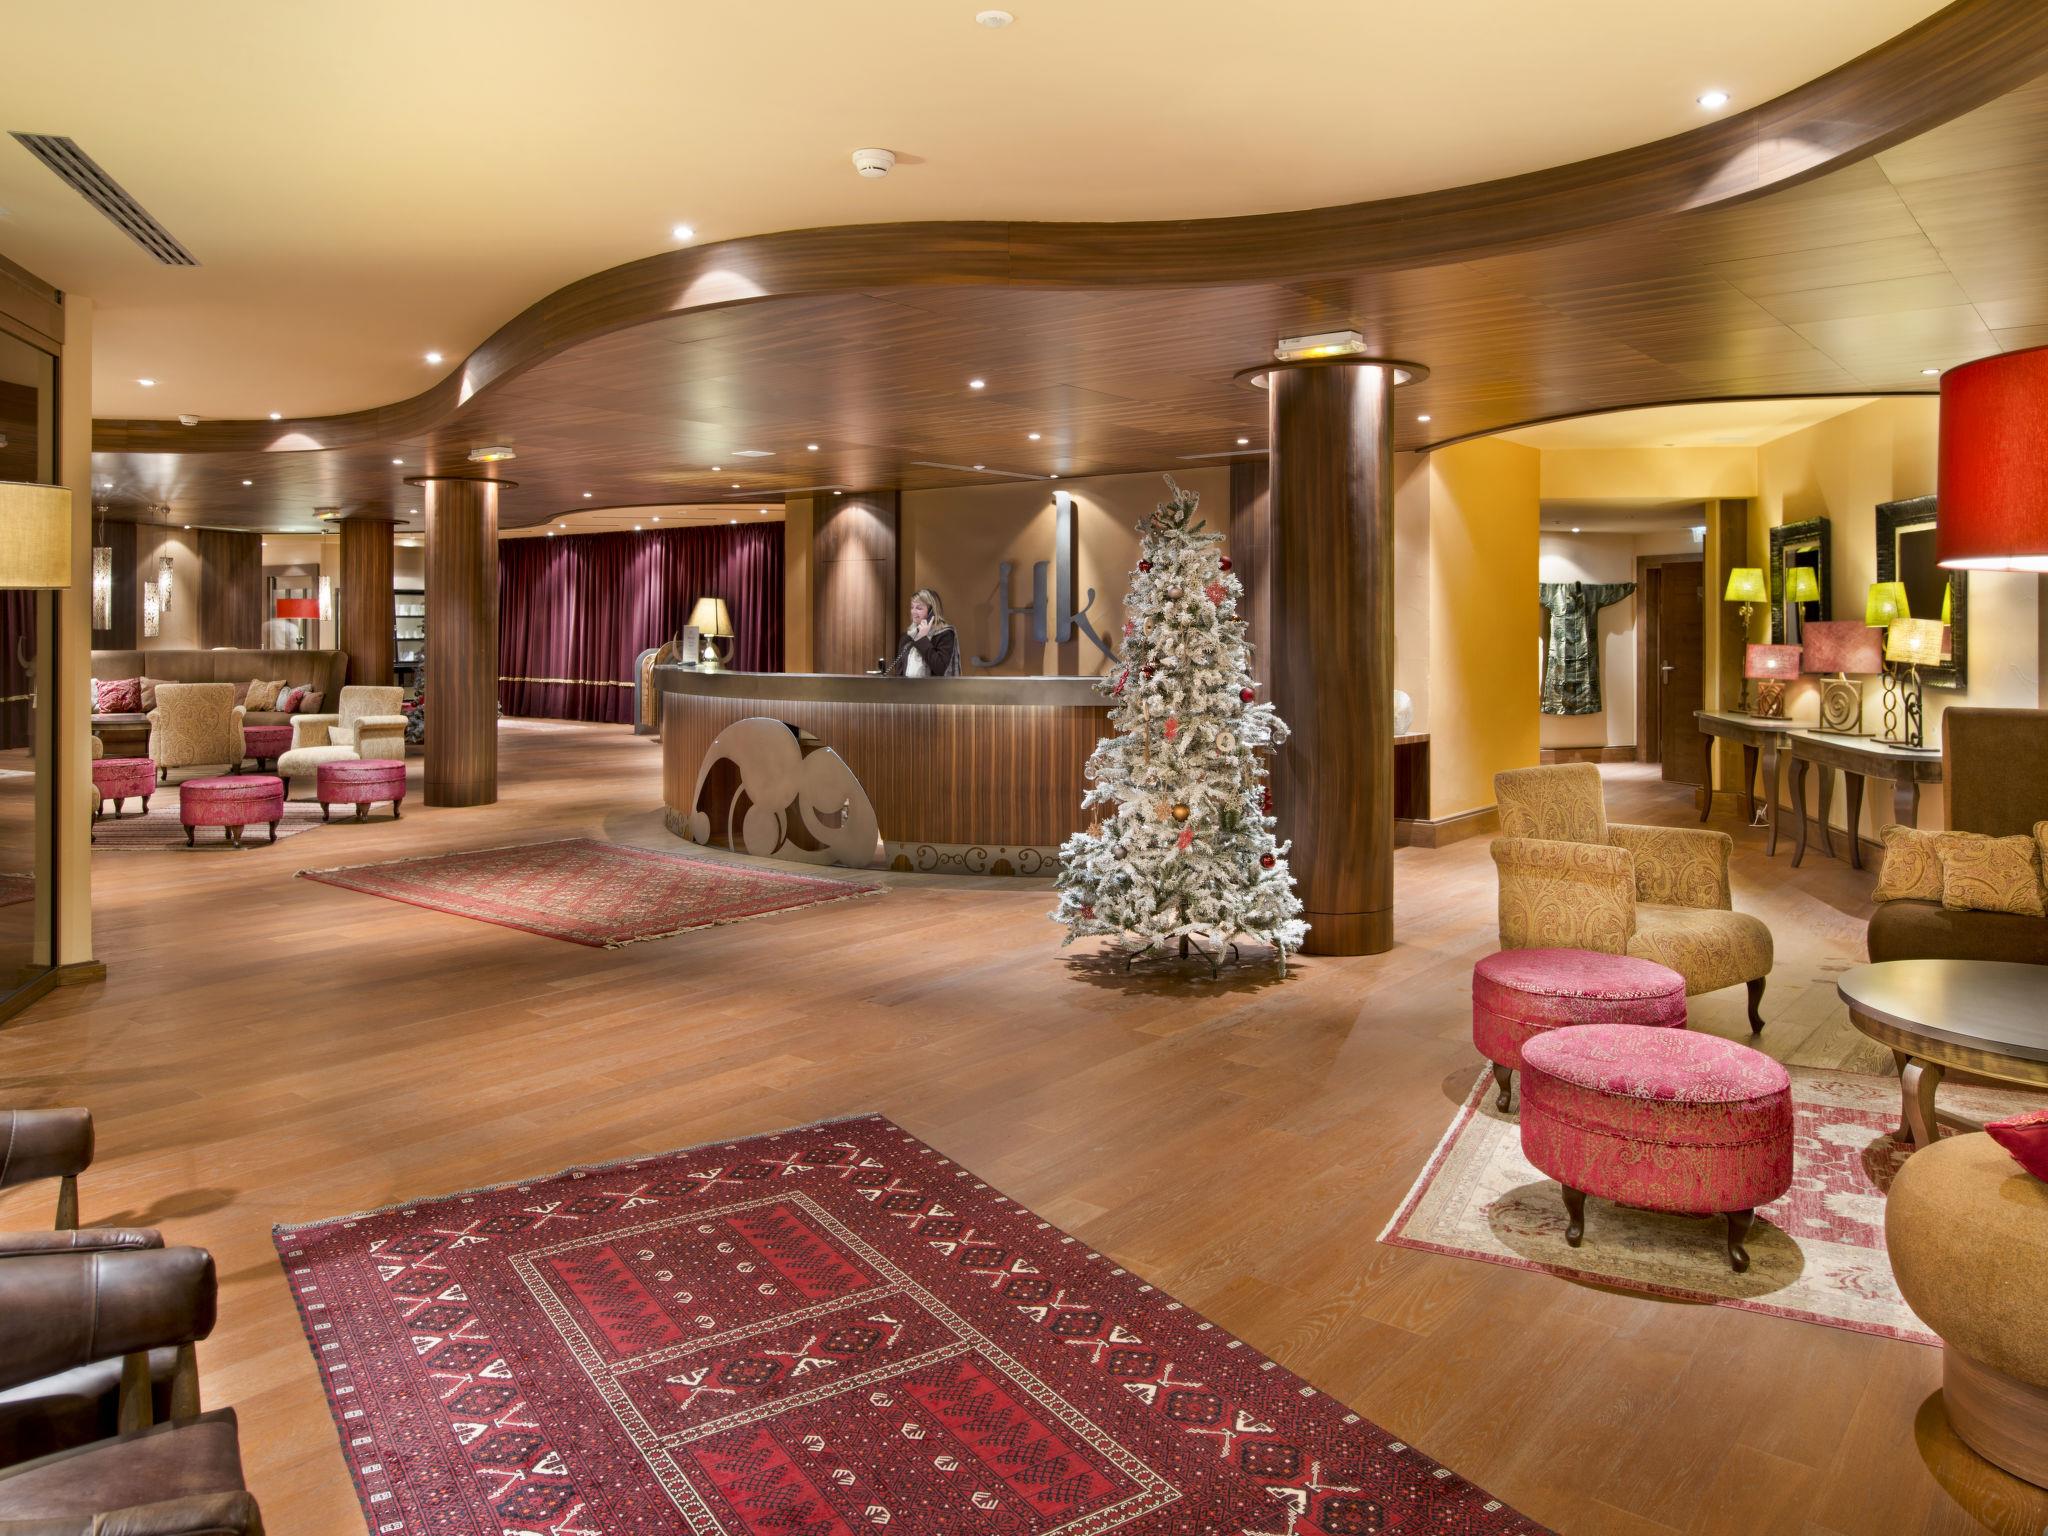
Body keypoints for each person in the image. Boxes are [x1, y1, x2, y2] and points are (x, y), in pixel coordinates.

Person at [885, 587, 961, 677]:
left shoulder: (944, 634)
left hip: (932, 686)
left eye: (919, 608)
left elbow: (940, 668)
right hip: (907, 686)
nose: (913, 612)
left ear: (932, 611)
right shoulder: (907, 636)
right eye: (912, 607)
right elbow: (900, 672)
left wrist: (922, 638)